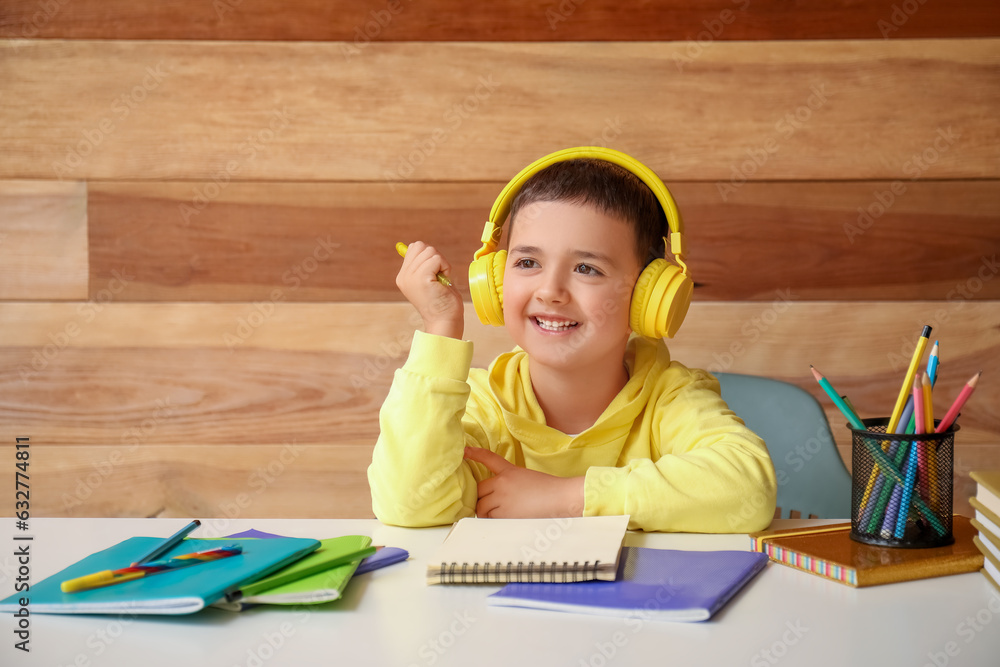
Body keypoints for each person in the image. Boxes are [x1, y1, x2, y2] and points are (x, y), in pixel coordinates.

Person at [368, 149, 776, 532]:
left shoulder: (671, 398)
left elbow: (748, 490)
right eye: (528, 262)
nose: (550, 291)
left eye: (587, 268)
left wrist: (563, 496)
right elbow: (409, 504)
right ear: (495, 281)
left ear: (647, 298)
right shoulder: (479, 405)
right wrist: (441, 326)